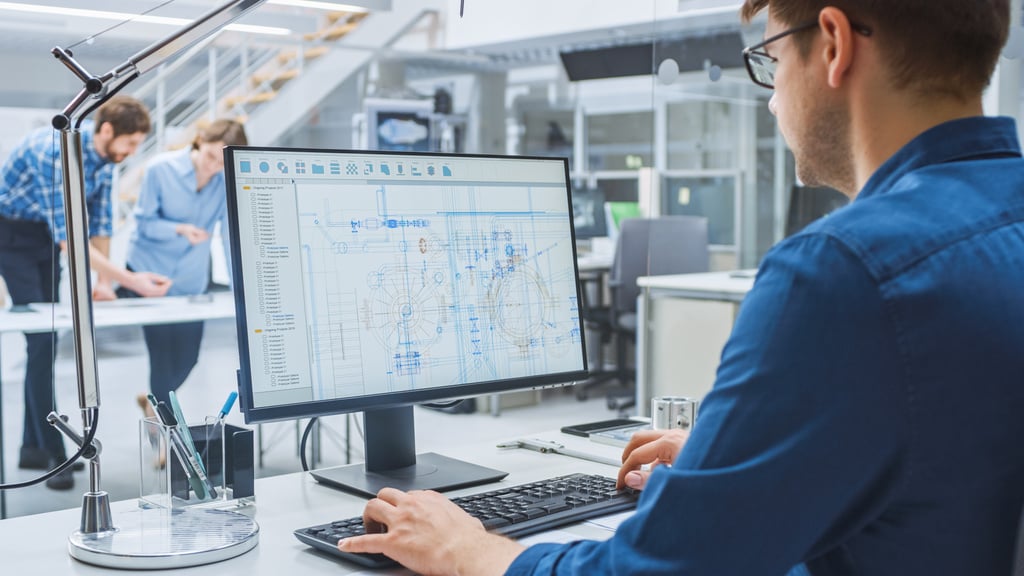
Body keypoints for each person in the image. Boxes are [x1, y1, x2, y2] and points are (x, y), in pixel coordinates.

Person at [337, 0, 1024, 574]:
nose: (773, 99)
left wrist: (475, 551)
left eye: (772, 62)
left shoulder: (840, 272)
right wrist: (740, 462)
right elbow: (940, 450)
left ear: (835, 45)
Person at [0, 95, 171, 491]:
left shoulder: (105, 157)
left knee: (44, 340)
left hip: (42, 235)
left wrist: (105, 283)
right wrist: (133, 281)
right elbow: (71, 241)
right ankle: (55, 456)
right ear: (107, 129)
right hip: (9, 234)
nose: (131, 153)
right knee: (41, 342)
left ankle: (32, 448)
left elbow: (101, 223)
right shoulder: (55, 154)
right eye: (129, 143)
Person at [118, 119, 248, 409]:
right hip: (150, 276)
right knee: (162, 359)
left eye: (222, 161)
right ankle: (167, 438)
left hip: (191, 281)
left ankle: (154, 402)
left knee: (189, 358)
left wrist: (240, 286)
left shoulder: (224, 180)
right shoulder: (160, 169)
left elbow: (229, 235)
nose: (214, 166)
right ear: (200, 141)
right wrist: (179, 229)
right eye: (211, 156)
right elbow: (143, 225)